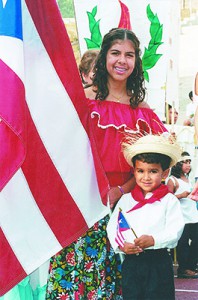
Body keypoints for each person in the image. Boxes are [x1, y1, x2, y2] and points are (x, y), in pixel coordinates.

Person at [46, 28, 168, 299]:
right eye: (115, 53)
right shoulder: (80, 99)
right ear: (104, 57)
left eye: (129, 55)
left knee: (116, 284)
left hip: (124, 209)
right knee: (75, 281)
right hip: (79, 207)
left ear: (137, 62)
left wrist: (122, 191)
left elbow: (161, 162)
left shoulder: (142, 110)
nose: (122, 60)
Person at [107, 133, 184, 300]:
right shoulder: (126, 200)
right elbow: (113, 227)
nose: (146, 177)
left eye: (153, 171)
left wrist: (154, 240)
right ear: (134, 171)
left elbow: (175, 231)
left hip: (158, 262)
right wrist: (122, 246)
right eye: (140, 171)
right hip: (132, 262)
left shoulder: (168, 201)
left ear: (165, 173)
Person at [166, 151, 198, 278]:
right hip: (181, 217)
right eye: (185, 162)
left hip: (193, 216)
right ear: (178, 164)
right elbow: (166, 199)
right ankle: (184, 268)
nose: (188, 165)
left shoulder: (188, 179)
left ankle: (191, 265)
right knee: (183, 244)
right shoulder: (172, 180)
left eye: (189, 162)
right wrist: (180, 195)